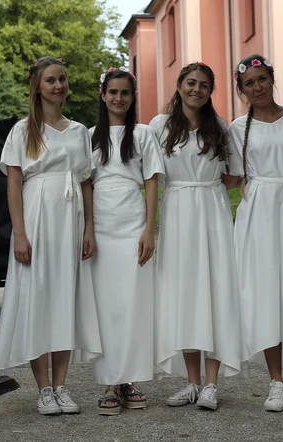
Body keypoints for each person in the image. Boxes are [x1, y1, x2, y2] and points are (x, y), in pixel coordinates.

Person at [0, 56, 102, 416]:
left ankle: (61, 386)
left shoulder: (80, 131)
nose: (59, 86)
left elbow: (86, 182)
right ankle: (43, 389)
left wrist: (89, 228)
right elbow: (13, 183)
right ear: (37, 86)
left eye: (62, 79)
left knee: (64, 298)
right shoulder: (23, 130)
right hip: (37, 217)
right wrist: (19, 233)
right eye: (51, 80)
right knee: (38, 298)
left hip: (70, 219)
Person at [149, 62, 246, 411]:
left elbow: (236, 173)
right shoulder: (159, 126)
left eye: (205, 85)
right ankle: (191, 382)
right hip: (177, 211)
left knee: (215, 290)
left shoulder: (219, 126)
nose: (197, 90)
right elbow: (150, 174)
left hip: (212, 211)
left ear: (210, 91)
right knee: (186, 293)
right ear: (179, 84)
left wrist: (213, 189)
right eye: (191, 83)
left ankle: (211, 384)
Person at [227, 54, 283, 412]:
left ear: (272, 79)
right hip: (258, 215)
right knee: (265, 295)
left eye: (262, 79)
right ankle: (275, 380)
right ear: (242, 90)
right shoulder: (237, 128)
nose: (257, 87)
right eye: (249, 83)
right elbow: (232, 176)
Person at [89, 67, 165, 416]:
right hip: (102, 223)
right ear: (102, 95)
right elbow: (85, 184)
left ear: (133, 98)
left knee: (133, 302)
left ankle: (130, 379)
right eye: (113, 92)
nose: (119, 98)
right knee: (107, 305)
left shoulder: (144, 133)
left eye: (125, 92)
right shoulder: (89, 136)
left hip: (133, 221)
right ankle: (109, 381)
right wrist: (88, 228)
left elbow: (151, 180)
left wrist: (150, 228)